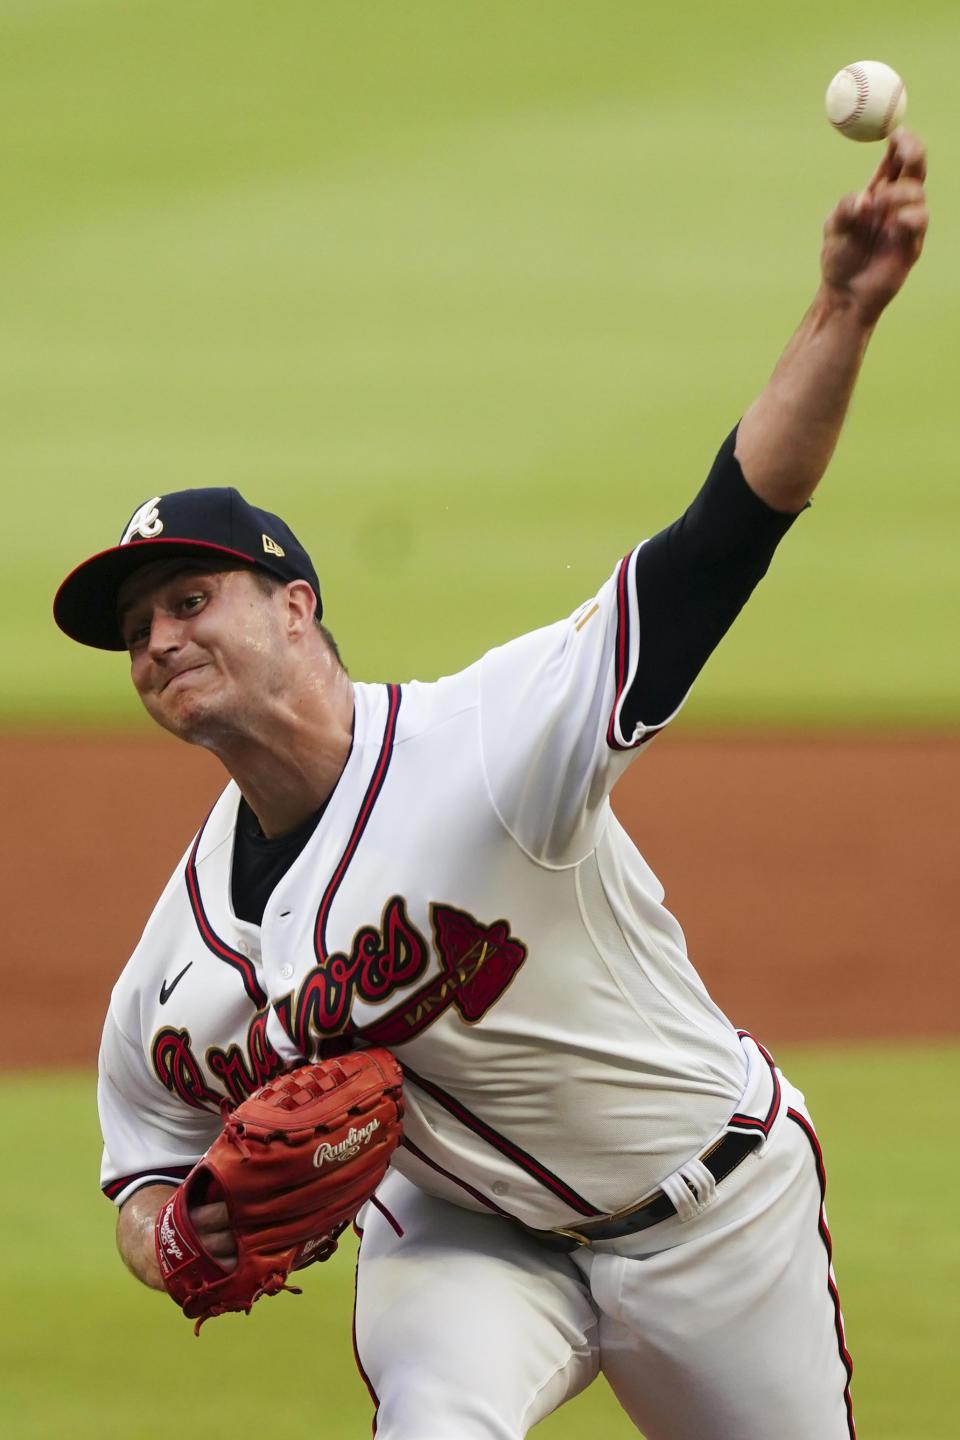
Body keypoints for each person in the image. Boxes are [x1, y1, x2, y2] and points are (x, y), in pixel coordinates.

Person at [54, 131, 928, 1439]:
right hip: (465, 1244)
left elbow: (722, 538)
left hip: (715, 1212)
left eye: (192, 600)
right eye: (137, 633)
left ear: (297, 610)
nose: (162, 640)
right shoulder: (174, 964)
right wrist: (173, 1240)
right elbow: (143, 1163)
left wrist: (842, 313)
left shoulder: (496, 740)